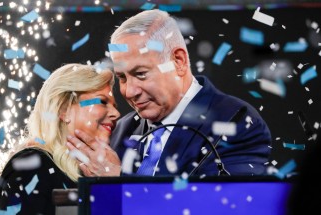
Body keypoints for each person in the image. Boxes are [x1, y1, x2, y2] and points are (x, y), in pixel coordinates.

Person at [66, 9, 272, 177]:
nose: (129, 91)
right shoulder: (121, 130)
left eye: (140, 73)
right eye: (122, 77)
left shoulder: (236, 122)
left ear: (178, 61)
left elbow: (219, 204)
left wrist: (120, 180)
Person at [0, 63, 120, 214]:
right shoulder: (30, 165)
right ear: (64, 109)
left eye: (114, 105)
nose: (116, 114)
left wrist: (117, 181)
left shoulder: (97, 171)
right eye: (103, 102)